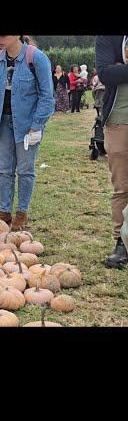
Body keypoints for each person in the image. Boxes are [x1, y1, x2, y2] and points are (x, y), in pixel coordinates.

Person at [0, 35, 55, 231]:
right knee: (4, 169)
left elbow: (47, 96)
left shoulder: (37, 58)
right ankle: (4, 211)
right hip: (2, 123)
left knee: (25, 170)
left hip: (27, 125)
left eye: (4, 35)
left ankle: (22, 212)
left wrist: (37, 124)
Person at [95, 36, 128, 268]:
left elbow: (115, 72)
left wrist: (122, 68)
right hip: (119, 121)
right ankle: (122, 242)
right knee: (122, 186)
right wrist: (114, 70)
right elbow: (106, 74)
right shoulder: (108, 37)